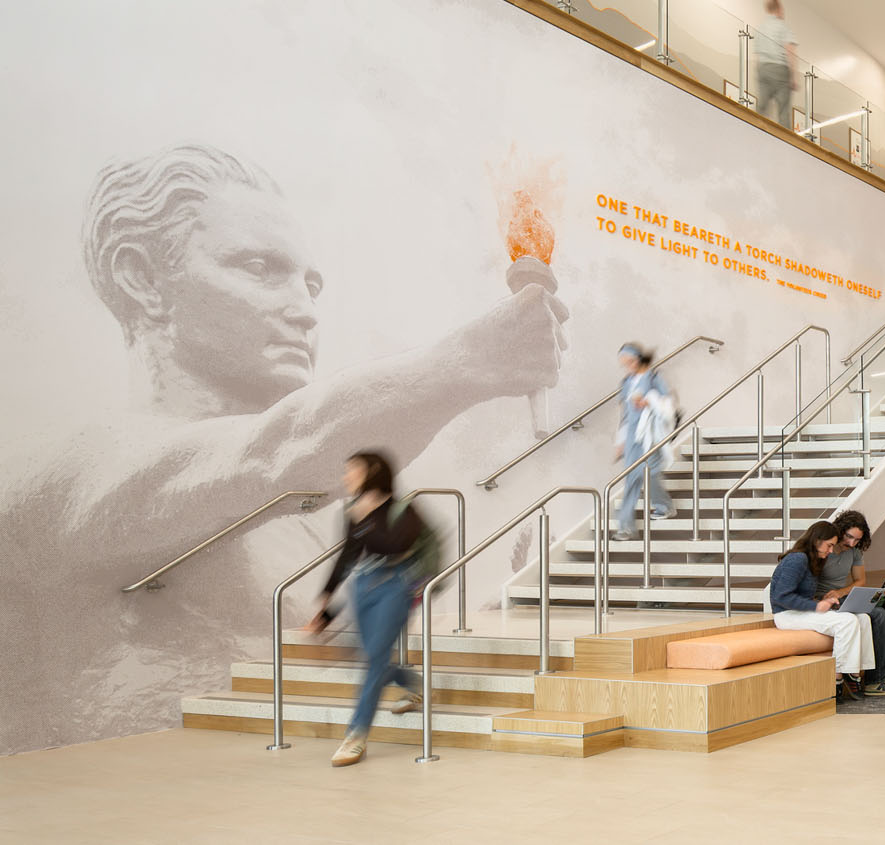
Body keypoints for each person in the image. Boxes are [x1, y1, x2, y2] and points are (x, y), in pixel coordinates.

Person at [6, 142, 571, 753]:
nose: (304, 312)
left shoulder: (296, 510)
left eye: (311, 285)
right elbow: (277, 450)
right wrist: (464, 364)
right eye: (258, 268)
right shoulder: (76, 471)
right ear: (139, 276)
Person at [301, 451, 430, 767]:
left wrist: (365, 519)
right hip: (363, 587)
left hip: (396, 587)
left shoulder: (404, 509)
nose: (346, 477)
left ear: (373, 471)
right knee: (371, 656)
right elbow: (348, 557)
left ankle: (356, 735)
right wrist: (326, 604)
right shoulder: (353, 511)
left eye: (352, 470)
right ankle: (415, 686)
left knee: (373, 659)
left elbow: (395, 546)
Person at [770, 520, 874, 701]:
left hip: (800, 612)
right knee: (847, 621)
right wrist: (816, 606)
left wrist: (825, 602)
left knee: (863, 618)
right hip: (786, 615)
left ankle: (855, 673)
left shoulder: (812, 560)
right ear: (817, 540)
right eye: (829, 545)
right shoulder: (797, 559)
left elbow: (801, 594)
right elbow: (781, 597)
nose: (831, 551)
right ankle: (837, 678)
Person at [820, 510, 885, 696]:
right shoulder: (825, 549)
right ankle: (876, 680)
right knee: (878, 614)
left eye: (857, 540)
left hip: (844, 597)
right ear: (840, 530)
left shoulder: (855, 552)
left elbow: (860, 581)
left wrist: (843, 592)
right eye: (849, 537)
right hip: (829, 602)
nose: (852, 543)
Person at [611, 343, 675, 540]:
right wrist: (620, 441)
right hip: (632, 437)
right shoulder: (626, 382)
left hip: (650, 435)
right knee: (630, 478)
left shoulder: (654, 377)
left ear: (638, 358)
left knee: (651, 473)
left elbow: (668, 402)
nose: (628, 366)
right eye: (624, 363)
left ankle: (664, 505)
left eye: (630, 361)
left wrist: (648, 401)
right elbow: (625, 414)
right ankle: (625, 527)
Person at [753, 0, 800, 126]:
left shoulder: (760, 28)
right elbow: (790, 51)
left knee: (762, 106)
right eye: (782, 10)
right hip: (780, 69)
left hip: (763, 68)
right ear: (779, 9)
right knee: (783, 109)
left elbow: (757, 55)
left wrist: (759, 71)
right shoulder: (783, 27)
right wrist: (794, 77)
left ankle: (755, 130)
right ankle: (785, 142)